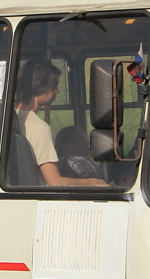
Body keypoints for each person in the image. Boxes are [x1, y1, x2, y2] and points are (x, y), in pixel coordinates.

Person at [15, 58, 107, 187]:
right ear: (39, 85)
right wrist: (95, 182)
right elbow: (55, 182)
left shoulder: (5, 121)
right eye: (53, 85)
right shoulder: (39, 128)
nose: (57, 91)